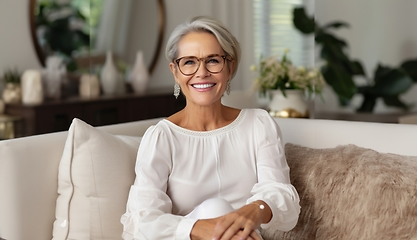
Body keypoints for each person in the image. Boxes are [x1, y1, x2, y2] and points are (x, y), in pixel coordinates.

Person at [121, 15, 300, 240]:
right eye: (189, 62)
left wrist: (254, 210)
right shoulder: (162, 138)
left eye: (213, 60)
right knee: (215, 208)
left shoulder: (259, 125)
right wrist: (197, 228)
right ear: (175, 72)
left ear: (230, 66)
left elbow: (284, 201)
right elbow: (142, 221)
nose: (202, 72)